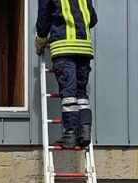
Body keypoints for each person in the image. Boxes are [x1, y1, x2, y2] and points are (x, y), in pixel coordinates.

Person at [35, 0, 98, 149]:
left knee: (68, 93)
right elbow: (93, 19)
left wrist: (40, 41)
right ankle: (85, 132)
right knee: (81, 93)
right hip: (85, 49)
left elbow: (43, 19)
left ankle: (70, 134)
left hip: (64, 48)